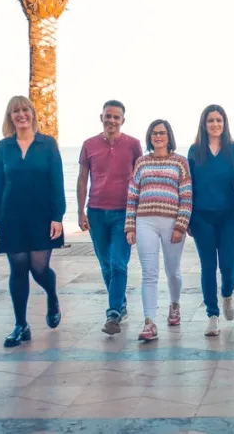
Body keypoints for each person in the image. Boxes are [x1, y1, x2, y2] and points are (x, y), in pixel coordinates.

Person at [0, 95, 64, 348]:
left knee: (39, 268)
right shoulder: (3, 147)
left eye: (25, 110)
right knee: (18, 268)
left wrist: (58, 217)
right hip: (11, 216)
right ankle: (21, 325)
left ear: (32, 114)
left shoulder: (47, 144)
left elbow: (57, 182)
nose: (21, 115)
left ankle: (52, 295)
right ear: (10, 117)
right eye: (16, 111)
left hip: (42, 216)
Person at [76, 100, 143, 335]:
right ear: (101, 117)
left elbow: (140, 179)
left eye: (116, 117)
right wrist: (80, 211)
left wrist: (138, 213)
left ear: (123, 120)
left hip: (123, 212)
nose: (112, 120)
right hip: (96, 212)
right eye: (108, 116)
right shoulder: (89, 145)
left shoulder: (133, 145)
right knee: (106, 265)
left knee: (118, 263)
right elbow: (82, 179)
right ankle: (120, 304)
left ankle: (113, 313)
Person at [125, 119, 192, 342]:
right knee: (149, 273)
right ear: (149, 137)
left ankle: (175, 305)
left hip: (172, 223)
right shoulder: (141, 162)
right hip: (145, 222)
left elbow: (186, 196)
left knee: (173, 271)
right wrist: (130, 226)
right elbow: (132, 196)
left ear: (169, 136)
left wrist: (181, 225)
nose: (158, 136)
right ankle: (149, 321)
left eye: (162, 133)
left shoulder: (180, 162)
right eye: (154, 133)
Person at [188, 105, 234, 337]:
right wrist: (187, 218)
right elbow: (188, 187)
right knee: (208, 266)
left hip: (228, 216)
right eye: (210, 120)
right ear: (204, 125)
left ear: (224, 124)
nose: (215, 124)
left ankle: (227, 295)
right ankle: (212, 315)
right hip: (201, 216)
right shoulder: (195, 151)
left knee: (228, 265)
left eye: (219, 120)